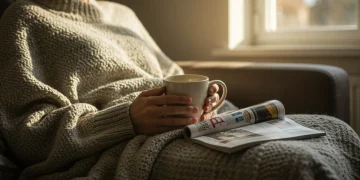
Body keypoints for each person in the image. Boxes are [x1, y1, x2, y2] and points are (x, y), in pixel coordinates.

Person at [0, 0, 359, 179]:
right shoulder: (24, 18)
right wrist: (127, 119)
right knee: (292, 165)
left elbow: (170, 74)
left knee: (336, 131)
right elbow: (26, 134)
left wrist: (209, 102)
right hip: (122, 146)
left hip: (195, 126)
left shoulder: (122, 13)